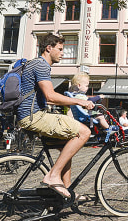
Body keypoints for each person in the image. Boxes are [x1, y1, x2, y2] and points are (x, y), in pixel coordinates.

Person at [17, 34, 94, 201]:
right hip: (34, 117)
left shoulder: (35, 64)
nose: (62, 53)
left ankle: (67, 193)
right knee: (84, 132)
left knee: (67, 146)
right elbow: (50, 96)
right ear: (48, 48)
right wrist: (80, 102)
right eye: (60, 49)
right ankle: (53, 176)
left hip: (30, 115)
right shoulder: (41, 65)